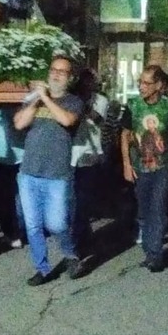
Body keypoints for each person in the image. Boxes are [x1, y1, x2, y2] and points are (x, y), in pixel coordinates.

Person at [14, 55, 84, 286]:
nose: (55, 75)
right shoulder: (34, 100)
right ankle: (42, 268)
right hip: (29, 172)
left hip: (56, 174)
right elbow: (19, 123)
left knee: (56, 224)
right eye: (53, 70)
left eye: (62, 72)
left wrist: (45, 97)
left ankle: (70, 253)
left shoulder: (74, 101)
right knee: (33, 225)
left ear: (70, 78)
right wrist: (36, 100)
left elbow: (67, 120)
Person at [121, 65, 168, 272]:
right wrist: (126, 164)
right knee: (143, 211)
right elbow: (125, 136)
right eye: (140, 82)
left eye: (146, 83)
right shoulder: (133, 106)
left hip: (164, 166)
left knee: (158, 208)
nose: (141, 86)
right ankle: (149, 250)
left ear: (159, 85)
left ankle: (156, 255)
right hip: (140, 166)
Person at [70, 68, 109, 255]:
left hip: (90, 153)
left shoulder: (100, 100)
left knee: (82, 199)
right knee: (73, 200)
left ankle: (78, 241)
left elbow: (98, 119)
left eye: (89, 81)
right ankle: (83, 232)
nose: (86, 84)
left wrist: (83, 104)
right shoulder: (72, 99)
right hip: (71, 154)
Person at [0, 104, 26, 249]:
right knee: (1, 201)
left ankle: (19, 232)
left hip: (20, 158)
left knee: (20, 201)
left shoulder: (23, 105)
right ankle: (10, 233)